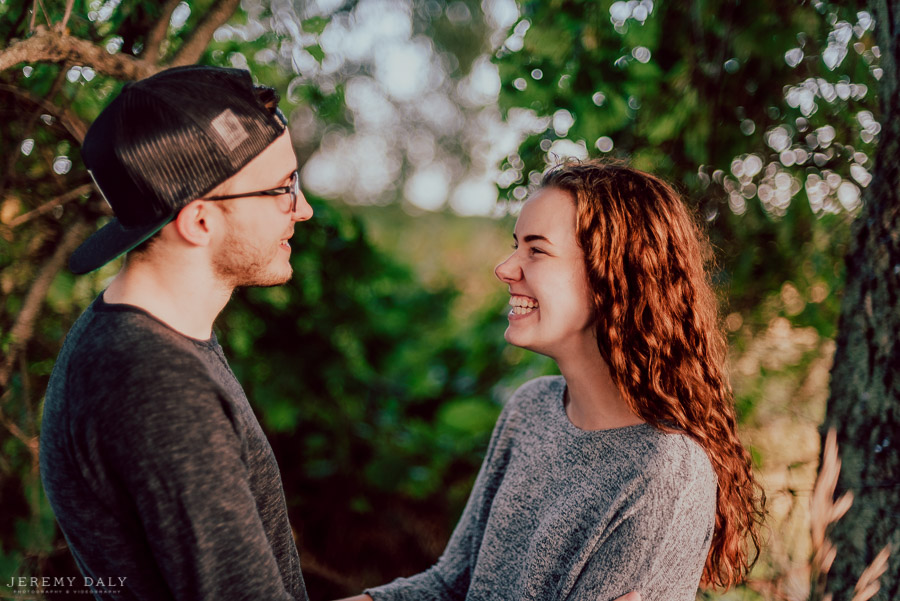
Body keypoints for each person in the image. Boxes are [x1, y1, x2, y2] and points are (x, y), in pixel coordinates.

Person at [341, 161, 765, 601]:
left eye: (536, 250)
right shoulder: (530, 409)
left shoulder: (663, 471)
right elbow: (450, 585)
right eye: (516, 246)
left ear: (615, 277)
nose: (505, 268)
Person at [39, 65, 314, 600]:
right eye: (283, 189)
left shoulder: (154, 342)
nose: (303, 209)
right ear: (200, 221)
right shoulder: (152, 382)